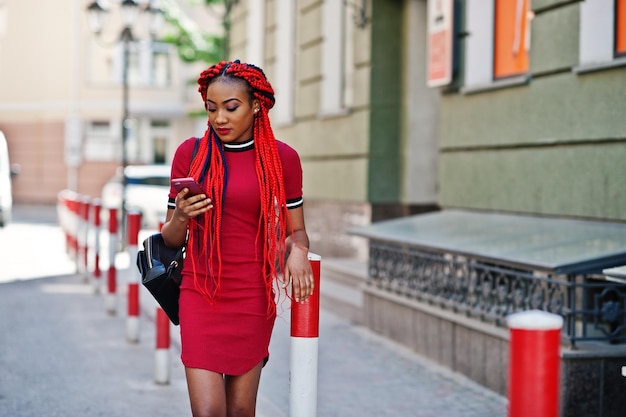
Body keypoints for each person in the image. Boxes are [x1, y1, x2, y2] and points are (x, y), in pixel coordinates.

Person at [161, 60, 314, 417]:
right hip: (199, 290)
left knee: (241, 411)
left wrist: (299, 250)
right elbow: (168, 240)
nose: (219, 119)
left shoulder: (282, 159)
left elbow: (298, 231)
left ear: (256, 105)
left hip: (252, 295)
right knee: (210, 411)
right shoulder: (191, 154)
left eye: (231, 108)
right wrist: (182, 216)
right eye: (211, 109)